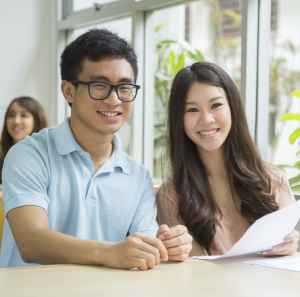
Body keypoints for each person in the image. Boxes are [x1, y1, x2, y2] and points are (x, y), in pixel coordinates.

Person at [0, 29, 192, 269]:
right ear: (68, 91)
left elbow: (142, 251)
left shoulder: (137, 176)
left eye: (124, 87)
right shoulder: (29, 155)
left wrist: (167, 246)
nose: (114, 100)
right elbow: (31, 242)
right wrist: (110, 253)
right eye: (100, 86)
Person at [157, 61, 299, 256]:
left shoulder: (274, 180)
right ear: (178, 119)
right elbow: (192, 272)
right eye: (192, 110)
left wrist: (291, 243)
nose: (206, 119)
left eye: (216, 105)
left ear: (232, 107)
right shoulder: (172, 196)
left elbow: (290, 247)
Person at [0, 96, 48, 184]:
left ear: (37, 120)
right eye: (11, 115)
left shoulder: (47, 158)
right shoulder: (2, 155)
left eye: (24, 115)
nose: (16, 121)